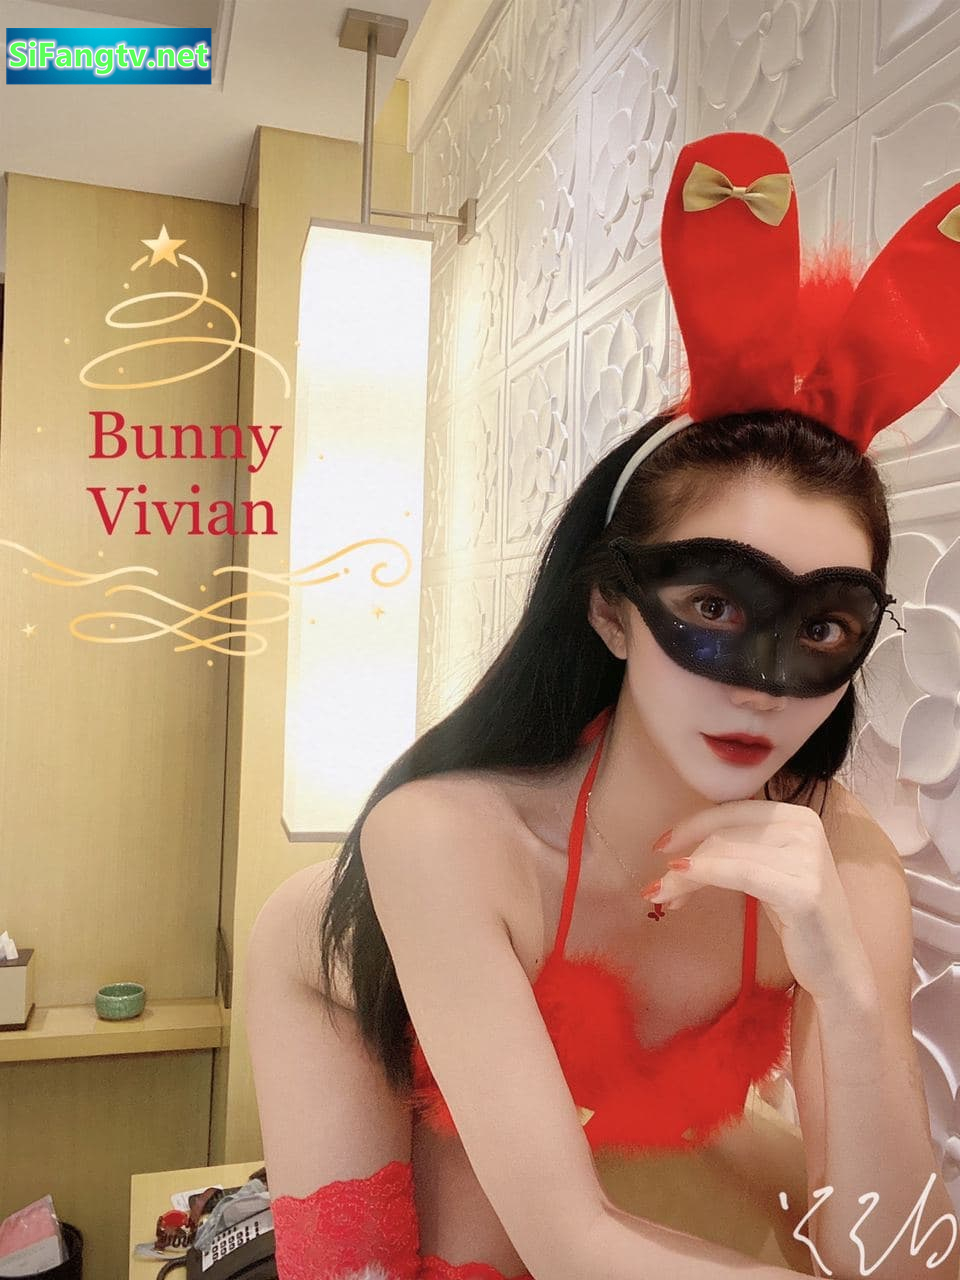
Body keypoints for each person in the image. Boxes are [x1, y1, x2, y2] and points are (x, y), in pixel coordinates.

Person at [246, 132, 960, 1280]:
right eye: (713, 604)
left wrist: (846, 983)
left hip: (603, 1062)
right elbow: (571, 1238)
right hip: (362, 990)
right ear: (612, 611)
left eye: (823, 624)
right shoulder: (438, 836)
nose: (760, 680)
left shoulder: (841, 861)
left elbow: (900, 1256)